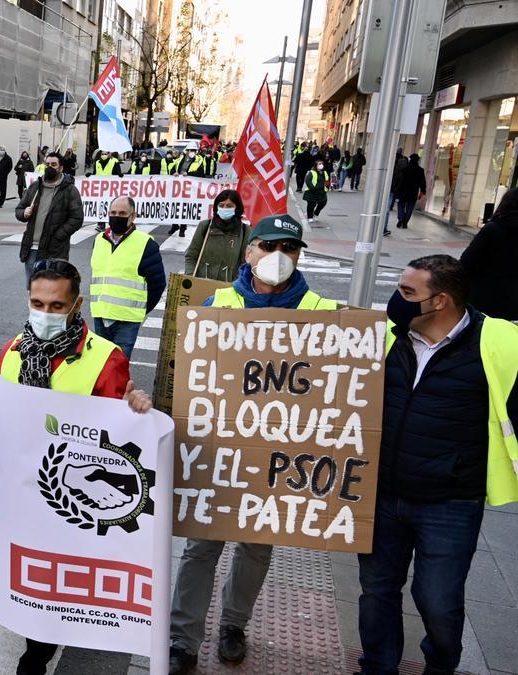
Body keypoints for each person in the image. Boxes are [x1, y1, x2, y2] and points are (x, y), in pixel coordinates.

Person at [0, 258, 152, 675]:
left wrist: (138, 410)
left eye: (57, 306)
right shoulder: (14, 349)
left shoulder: (106, 359)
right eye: (38, 303)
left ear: (76, 306)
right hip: (18, 485)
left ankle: (40, 648)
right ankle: (33, 625)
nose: (45, 313)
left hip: (68, 490)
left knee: (56, 571)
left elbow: (117, 440)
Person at [169, 214, 337, 675]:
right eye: (268, 246)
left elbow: (355, 373)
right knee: (201, 548)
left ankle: (233, 626)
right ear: (249, 252)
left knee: (257, 547)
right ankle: (182, 638)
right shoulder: (217, 303)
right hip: (219, 450)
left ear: (300, 255)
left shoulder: (324, 311)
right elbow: (185, 373)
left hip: (279, 457)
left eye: (290, 249)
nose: (277, 257)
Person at [359, 254, 518, 675]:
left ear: (439, 301)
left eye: (406, 292)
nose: (395, 301)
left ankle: (439, 667)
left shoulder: (501, 343)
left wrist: (467, 468)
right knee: (377, 591)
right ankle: (378, 667)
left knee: (437, 601)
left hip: (450, 502)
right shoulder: (386, 337)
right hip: (383, 495)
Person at [89, 196, 164, 357]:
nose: (117, 217)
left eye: (122, 213)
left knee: (119, 366)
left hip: (127, 320)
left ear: (133, 216)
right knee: (100, 364)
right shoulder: (98, 240)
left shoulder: (146, 244)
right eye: (113, 212)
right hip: (101, 314)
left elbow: (157, 284)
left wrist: (140, 309)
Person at [459, 186, 518, 320]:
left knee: (476, 336)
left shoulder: (493, 228)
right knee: (499, 337)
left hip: (481, 293)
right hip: (510, 294)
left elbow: (466, 260)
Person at [13, 151, 83, 281]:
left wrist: (58, 236)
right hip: (32, 249)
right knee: (33, 291)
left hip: (55, 251)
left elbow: (77, 218)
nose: (50, 167)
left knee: (52, 292)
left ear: (61, 168)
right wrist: (24, 213)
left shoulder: (69, 190)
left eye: (54, 164)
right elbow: (19, 210)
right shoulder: (35, 187)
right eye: (47, 164)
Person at [184, 189, 250, 282]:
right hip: (202, 285)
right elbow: (191, 256)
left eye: (229, 206)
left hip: (228, 289)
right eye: (221, 205)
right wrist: (191, 278)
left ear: (237, 208)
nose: (225, 208)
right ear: (216, 207)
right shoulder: (205, 226)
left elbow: (246, 264)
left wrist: (237, 285)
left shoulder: (245, 230)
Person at [395, 153, 426, 231]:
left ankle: (401, 218)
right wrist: (422, 191)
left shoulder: (405, 169)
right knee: (410, 207)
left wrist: (397, 190)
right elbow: (423, 182)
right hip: (413, 192)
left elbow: (400, 180)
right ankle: (405, 222)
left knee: (401, 205)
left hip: (403, 191)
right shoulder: (420, 170)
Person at [303, 157, 330, 224]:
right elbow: (307, 180)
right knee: (311, 205)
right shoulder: (311, 172)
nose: (321, 165)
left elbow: (327, 180)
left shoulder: (325, 172)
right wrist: (313, 188)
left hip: (322, 192)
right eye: (319, 164)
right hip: (312, 192)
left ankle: (316, 213)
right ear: (316, 165)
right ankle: (310, 217)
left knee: (323, 203)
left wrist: (327, 187)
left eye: (322, 164)